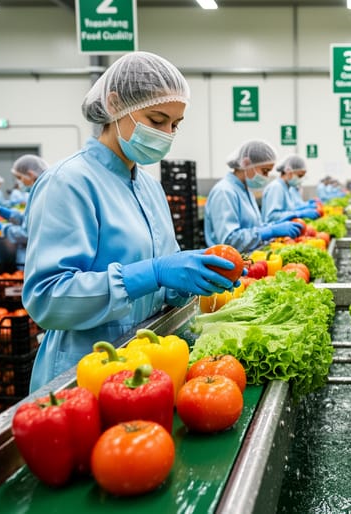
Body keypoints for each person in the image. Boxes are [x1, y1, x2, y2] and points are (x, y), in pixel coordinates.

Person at [22, 51, 239, 392]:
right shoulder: (68, 182)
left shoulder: (150, 187)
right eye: (157, 120)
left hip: (147, 365)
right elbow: (48, 300)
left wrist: (185, 281)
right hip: (86, 373)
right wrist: (150, 273)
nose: (167, 134)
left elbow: (162, 280)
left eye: (175, 125)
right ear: (114, 104)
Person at [204, 140, 303, 253]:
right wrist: (270, 231)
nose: (267, 177)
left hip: (249, 260)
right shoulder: (224, 192)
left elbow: (255, 227)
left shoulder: (246, 191)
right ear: (246, 164)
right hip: (228, 265)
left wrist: (273, 226)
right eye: (265, 171)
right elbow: (229, 241)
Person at [0, 155, 49, 268]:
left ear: (31, 174)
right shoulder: (39, 192)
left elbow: (27, 234)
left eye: (20, 177)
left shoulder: (43, 195)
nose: (20, 182)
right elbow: (28, 220)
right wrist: (2, 212)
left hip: (36, 260)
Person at [261, 155, 320, 223]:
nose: (301, 179)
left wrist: (300, 210)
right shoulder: (276, 187)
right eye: (300, 176)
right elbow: (272, 216)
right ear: (289, 172)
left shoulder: (287, 188)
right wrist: (299, 214)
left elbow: (288, 210)